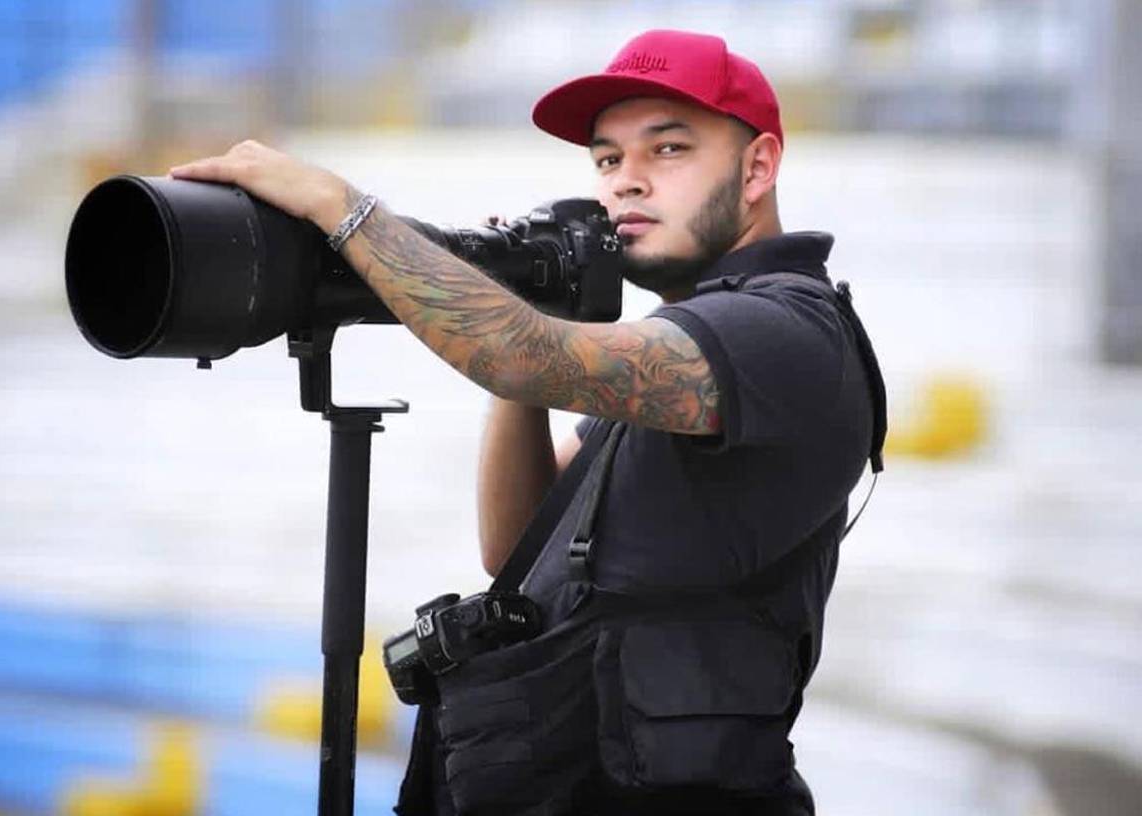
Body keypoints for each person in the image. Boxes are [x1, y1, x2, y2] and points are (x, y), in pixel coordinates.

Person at [171, 28, 884, 816]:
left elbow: (526, 356)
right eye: (608, 160)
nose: (627, 184)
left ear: (757, 168)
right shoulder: (688, 340)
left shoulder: (782, 331)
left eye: (669, 150)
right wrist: (534, 299)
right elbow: (514, 545)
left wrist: (347, 213)